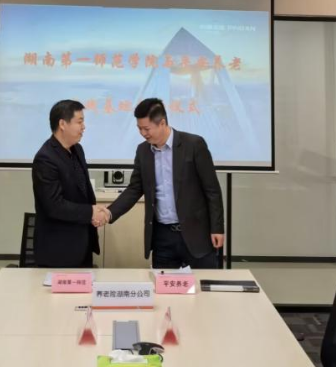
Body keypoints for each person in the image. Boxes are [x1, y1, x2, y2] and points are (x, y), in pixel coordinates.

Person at [106, 98, 224, 269]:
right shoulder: (143, 150)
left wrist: (217, 228)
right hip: (163, 236)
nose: (143, 133)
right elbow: (135, 188)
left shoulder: (193, 145)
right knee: (163, 285)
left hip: (196, 233)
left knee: (202, 282)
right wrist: (109, 212)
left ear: (162, 123)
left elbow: (212, 190)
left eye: (147, 128)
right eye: (139, 128)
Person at [32, 99, 109, 268]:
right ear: (62, 124)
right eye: (79, 122)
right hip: (58, 250)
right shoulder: (45, 158)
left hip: (83, 244)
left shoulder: (77, 149)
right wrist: (91, 212)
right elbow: (54, 206)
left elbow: (83, 192)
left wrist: (94, 212)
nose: (84, 127)